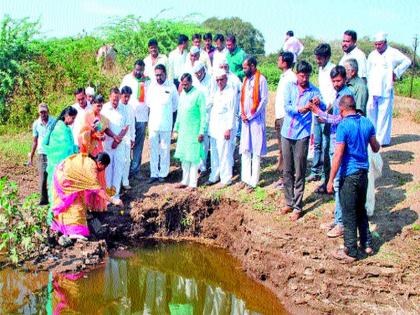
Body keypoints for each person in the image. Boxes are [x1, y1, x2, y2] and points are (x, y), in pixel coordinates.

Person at [328, 95, 380, 263]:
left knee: (349, 213)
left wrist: (330, 180)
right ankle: (367, 244)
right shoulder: (366, 122)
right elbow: (375, 146)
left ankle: (350, 250)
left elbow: (338, 155)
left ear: (342, 109)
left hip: (349, 175)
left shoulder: (343, 126)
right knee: (360, 210)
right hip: (364, 174)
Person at [310, 66, 353, 237]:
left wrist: (321, 114)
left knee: (339, 184)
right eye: (333, 81)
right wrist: (321, 107)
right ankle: (337, 219)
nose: (336, 84)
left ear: (344, 79)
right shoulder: (339, 94)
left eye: (338, 80)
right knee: (336, 183)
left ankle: (341, 223)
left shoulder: (347, 96)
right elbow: (333, 112)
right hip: (335, 141)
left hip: (341, 144)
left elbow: (340, 118)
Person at [279, 60, 325, 221]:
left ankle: (298, 206)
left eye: (306, 76)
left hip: (302, 135)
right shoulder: (290, 86)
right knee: (287, 170)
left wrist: (319, 104)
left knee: (299, 170)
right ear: (297, 74)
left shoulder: (314, 91)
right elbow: (287, 106)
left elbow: (323, 108)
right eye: (301, 75)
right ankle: (289, 201)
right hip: (287, 132)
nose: (303, 79)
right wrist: (300, 109)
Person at [50, 153, 123, 240]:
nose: (103, 170)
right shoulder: (91, 168)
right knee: (76, 204)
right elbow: (97, 189)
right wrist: (113, 200)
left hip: (62, 173)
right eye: (104, 167)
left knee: (76, 200)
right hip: (65, 179)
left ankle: (64, 229)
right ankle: (75, 232)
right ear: (99, 163)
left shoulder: (89, 161)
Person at [366, 32, 411, 146]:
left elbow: (407, 61)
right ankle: (371, 138)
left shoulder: (393, 52)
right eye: (375, 44)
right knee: (371, 114)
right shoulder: (372, 55)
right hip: (373, 89)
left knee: (383, 115)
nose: (377, 47)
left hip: (385, 89)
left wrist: (396, 72)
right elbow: (368, 72)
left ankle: (381, 141)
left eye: (380, 44)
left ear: (385, 43)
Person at [43, 106, 79, 222]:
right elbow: (64, 148)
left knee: (61, 193)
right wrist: (75, 151)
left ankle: (62, 219)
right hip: (58, 166)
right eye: (72, 118)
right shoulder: (60, 129)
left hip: (59, 166)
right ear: (66, 116)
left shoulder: (64, 127)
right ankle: (54, 220)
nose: (73, 121)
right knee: (56, 193)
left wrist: (76, 149)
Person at [307, 44, 335, 187]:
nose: (317, 61)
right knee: (317, 142)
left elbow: (334, 94)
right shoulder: (320, 69)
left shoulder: (332, 70)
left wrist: (326, 110)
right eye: (316, 58)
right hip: (318, 109)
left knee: (326, 144)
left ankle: (325, 175)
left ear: (327, 57)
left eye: (319, 58)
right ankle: (315, 171)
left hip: (328, 112)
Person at [239, 56, 268, 191]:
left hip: (256, 121)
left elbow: (263, 102)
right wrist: (242, 114)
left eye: (245, 67)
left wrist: (250, 116)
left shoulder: (261, 80)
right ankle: (245, 179)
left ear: (252, 66)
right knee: (245, 149)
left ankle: (253, 182)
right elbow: (242, 99)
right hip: (245, 121)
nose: (243, 70)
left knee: (255, 151)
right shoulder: (245, 80)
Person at [146, 64, 179, 183]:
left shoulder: (171, 87)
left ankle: (163, 173)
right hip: (153, 124)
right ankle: (154, 173)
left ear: (165, 73)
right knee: (153, 149)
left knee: (164, 149)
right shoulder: (152, 86)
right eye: (156, 75)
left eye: (160, 75)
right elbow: (148, 103)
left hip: (166, 124)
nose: (158, 77)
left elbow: (175, 105)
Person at [173, 73, 206, 190]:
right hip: (183, 131)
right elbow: (179, 113)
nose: (184, 86)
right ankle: (184, 181)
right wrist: (176, 128)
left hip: (194, 131)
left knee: (193, 158)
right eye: (182, 84)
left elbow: (203, 115)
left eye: (186, 84)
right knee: (184, 158)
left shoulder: (199, 94)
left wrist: (201, 131)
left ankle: (193, 183)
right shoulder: (182, 94)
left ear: (191, 82)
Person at [78, 94, 111, 211]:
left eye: (101, 106)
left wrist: (101, 137)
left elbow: (104, 130)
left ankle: (98, 205)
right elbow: (84, 132)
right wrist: (94, 135)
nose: (99, 108)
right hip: (90, 148)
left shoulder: (102, 118)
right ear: (92, 104)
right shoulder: (88, 116)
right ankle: (88, 205)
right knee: (91, 173)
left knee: (100, 174)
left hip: (99, 148)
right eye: (97, 106)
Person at [120, 59, 150, 180]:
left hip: (142, 116)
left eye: (141, 70)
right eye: (137, 70)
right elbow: (121, 96)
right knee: (126, 142)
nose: (138, 72)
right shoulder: (127, 79)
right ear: (134, 68)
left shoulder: (147, 80)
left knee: (138, 143)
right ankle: (124, 170)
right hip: (128, 116)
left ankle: (135, 169)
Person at [206, 68, 236, 187]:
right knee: (214, 153)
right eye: (217, 80)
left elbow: (232, 112)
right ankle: (214, 176)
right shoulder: (217, 92)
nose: (219, 82)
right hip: (214, 128)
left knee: (224, 154)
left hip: (224, 128)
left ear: (226, 79)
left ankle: (226, 179)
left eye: (221, 80)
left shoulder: (230, 92)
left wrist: (228, 128)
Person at [273, 51, 297, 189]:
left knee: (287, 148)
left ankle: (287, 178)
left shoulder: (291, 78)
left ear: (285, 62)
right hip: (279, 116)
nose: (277, 61)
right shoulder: (284, 77)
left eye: (279, 59)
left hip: (285, 117)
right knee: (282, 148)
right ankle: (284, 176)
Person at [101, 87, 129, 201]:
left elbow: (126, 126)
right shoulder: (104, 109)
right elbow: (104, 126)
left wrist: (117, 140)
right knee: (108, 171)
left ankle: (115, 195)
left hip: (119, 145)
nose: (116, 101)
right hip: (108, 145)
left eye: (117, 99)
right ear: (110, 97)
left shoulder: (124, 108)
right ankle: (108, 197)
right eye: (114, 99)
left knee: (118, 170)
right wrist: (114, 137)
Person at [28, 103, 55, 205]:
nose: (43, 114)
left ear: (48, 111)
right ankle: (44, 201)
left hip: (53, 152)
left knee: (53, 176)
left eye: (44, 111)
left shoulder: (54, 121)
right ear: (38, 113)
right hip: (41, 153)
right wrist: (31, 155)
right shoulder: (36, 124)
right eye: (41, 112)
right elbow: (35, 141)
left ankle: (54, 199)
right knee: (43, 177)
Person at [193, 61, 214, 174]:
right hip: (196, 115)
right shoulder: (195, 81)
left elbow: (212, 97)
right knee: (197, 140)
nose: (198, 75)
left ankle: (203, 165)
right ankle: (197, 164)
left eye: (200, 72)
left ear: (203, 70)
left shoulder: (211, 80)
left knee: (205, 140)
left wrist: (203, 107)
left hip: (207, 114)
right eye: (196, 73)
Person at [120, 86, 136, 190]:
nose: (126, 99)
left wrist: (132, 138)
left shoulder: (130, 108)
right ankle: (117, 182)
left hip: (127, 137)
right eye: (125, 96)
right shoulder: (118, 107)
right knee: (119, 160)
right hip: (118, 138)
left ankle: (125, 182)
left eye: (128, 97)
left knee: (127, 161)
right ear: (121, 95)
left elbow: (132, 125)